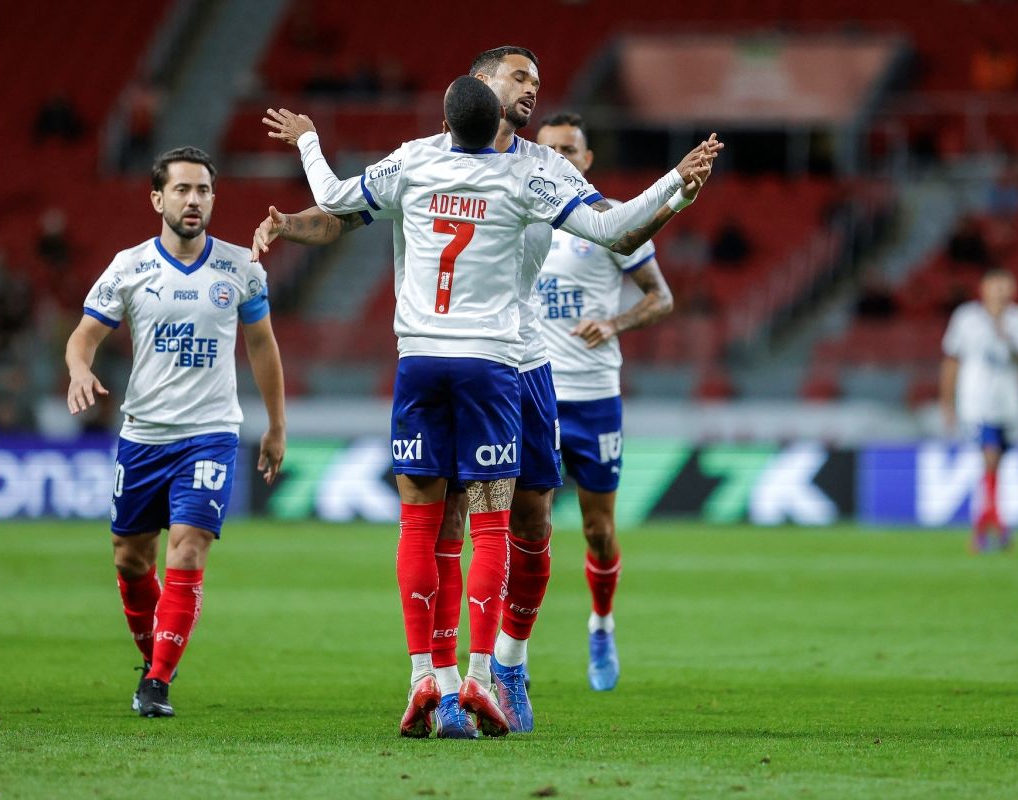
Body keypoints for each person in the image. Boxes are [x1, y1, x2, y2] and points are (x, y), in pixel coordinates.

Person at [255, 46, 720, 737]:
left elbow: (619, 233)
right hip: (493, 361)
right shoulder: (440, 162)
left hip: (512, 363)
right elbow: (340, 215)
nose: (532, 87)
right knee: (466, 520)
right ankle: (453, 683)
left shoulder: (534, 166)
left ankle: (505, 664)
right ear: (479, 84)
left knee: (531, 521)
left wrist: (310, 145)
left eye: (538, 76)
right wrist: (292, 225)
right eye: (518, 75)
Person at [65, 146, 286, 717]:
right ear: (157, 198)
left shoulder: (241, 267)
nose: (194, 200)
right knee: (129, 560)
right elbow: (84, 335)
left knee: (187, 552)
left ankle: (157, 682)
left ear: (214, 197)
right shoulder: (130, 266)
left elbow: (262, 347)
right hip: (143, 435)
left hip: (210, 433)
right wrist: (79, 369)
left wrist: (276, 425)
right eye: (183, 190)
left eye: (203, 190)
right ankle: (159, 656)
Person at [530, 110, 689, 693]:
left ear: (587, 159)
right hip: (534, 394)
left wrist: (615, 322)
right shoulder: (520, 216)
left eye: (571, 150)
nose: (560, 159)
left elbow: (661, 298)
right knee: (532, 523)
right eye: (550, 149)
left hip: (595, 398)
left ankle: (601, 623)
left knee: (598, 529)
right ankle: (511, 655)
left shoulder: (609, 221)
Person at [939, 268, 1018, 553]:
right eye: (996, 286)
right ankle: (996, 529)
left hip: (1009, 404)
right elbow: (951, 360)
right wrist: (947, 402)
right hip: (976, 403)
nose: (1001, 292)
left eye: (1006, 287)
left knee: (996, 466)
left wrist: (1003, 332)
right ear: (983, 289)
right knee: (990, 457)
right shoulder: (966, 318)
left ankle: (986, 525)